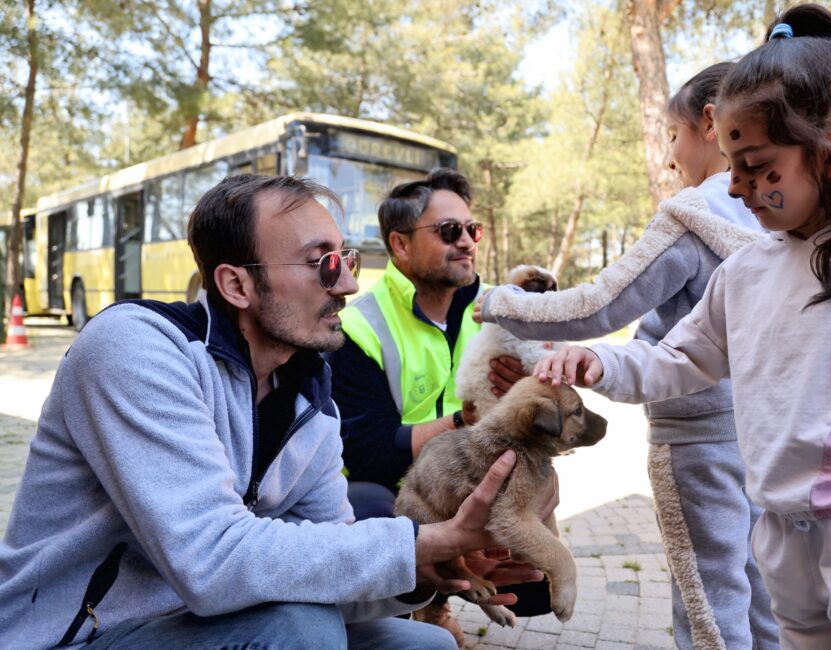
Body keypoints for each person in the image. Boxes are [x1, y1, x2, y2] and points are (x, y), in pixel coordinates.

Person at [533, 5, 831, 648]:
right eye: (732, 165)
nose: (735, 188)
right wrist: (604, 364)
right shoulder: (748, 269)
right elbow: (684, 359)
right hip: (782, 541)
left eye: (757, 167)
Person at [0, 174, 542, 649]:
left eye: (346, 259)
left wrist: (427, 570)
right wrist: (418, 540)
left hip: (208, 621)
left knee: (422, 644)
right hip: (81, 633)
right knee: (301, 632)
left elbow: (328, 576)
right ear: (236, 284)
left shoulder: (311, 399)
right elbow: (210, 560)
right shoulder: (133, 349)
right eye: (322, 264)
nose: (349, 284)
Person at [476, 62, 778, 649]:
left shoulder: (692, 217)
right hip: (766, 436)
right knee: (764, 591)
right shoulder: (783, 214)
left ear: (711, 123)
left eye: (673, 133)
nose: (671, 155)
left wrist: (496, 300)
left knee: (708, 603)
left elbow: (595, 306)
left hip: (697, 441)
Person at [327, 167, 549, 643]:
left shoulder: (496, 311)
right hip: (393, 483)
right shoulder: (357, 327)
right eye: (450, 232)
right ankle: (415, 607)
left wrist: (527, 388)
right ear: (400, 245)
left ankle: (441, 597)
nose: (467, 242)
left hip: (465, 471)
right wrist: (463, 422)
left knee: (539, 530)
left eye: (473, 230)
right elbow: (367, 451)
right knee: (369, 504)